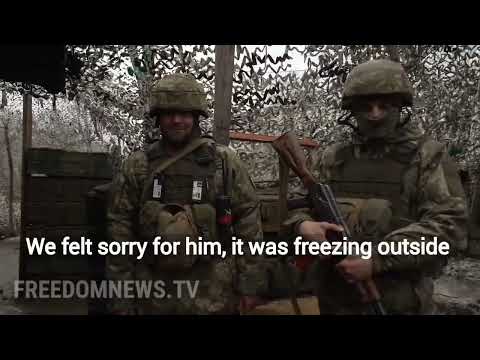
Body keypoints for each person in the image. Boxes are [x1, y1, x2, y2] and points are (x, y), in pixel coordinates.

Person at [284, 59, 468, 314]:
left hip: (399, 302)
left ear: (401, 107)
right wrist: (305, 225)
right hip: (335, 301)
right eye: (366, 107)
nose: (375, 114)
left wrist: (377, 259)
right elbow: (297, 203)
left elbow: (449, 227)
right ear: (352, 111)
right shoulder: (334, 157)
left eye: (385, 105)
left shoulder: (426, 156)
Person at [105, 73, 268, 314]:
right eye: (169, 114)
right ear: (158, 118)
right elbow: (119, 232)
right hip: (153, 295)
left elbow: (248, 224)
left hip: (213, 295)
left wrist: (250, 287)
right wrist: (121, 296)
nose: (177, 120)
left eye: (185, 114)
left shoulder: (223, 161)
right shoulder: (139, 165)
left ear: (196, 117)